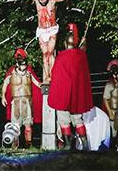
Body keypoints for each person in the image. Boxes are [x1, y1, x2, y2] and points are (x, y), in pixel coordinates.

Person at [5, 0, 91, 83]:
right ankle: (47, 76)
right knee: (45, 55)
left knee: (50, 54)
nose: (42, 1)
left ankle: (53, 74)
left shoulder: (52, 0)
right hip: (41, 31)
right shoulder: (36, 0)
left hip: (51, 30)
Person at [48, 23, 93, 151]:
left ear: (65, 43)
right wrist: (84, 42)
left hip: (63, 96)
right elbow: (83, 48)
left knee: (64, 120)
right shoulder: (81, 55)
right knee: (78, 120)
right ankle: (84, 145)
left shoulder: (61, 57)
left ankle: (69, 145)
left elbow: (55, 75)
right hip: (75, 96)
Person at [0, 48, 42, 148]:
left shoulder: (29, 72)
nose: (24, 66)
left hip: (27, 101)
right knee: (15, 126)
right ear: (17, 63)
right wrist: (3, 96)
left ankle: (28, 145)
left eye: (24, 63)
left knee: (28, 125)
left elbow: (37, 83)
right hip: (15, 102)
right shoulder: (11, 72)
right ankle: (14, 146)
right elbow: (5, 85)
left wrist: (46, 85)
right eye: (21, 63)